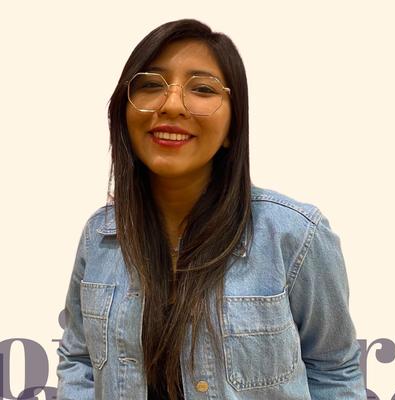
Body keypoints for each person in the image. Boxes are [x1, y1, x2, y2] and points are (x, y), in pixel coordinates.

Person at [56, 19, 366, 400]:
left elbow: (334, 371)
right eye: (151, 85)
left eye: (202, 89)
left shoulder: (295, 235)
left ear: (234, 126)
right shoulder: (100, 236)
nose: (171, 104)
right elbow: (79, 359)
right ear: (124, 110)